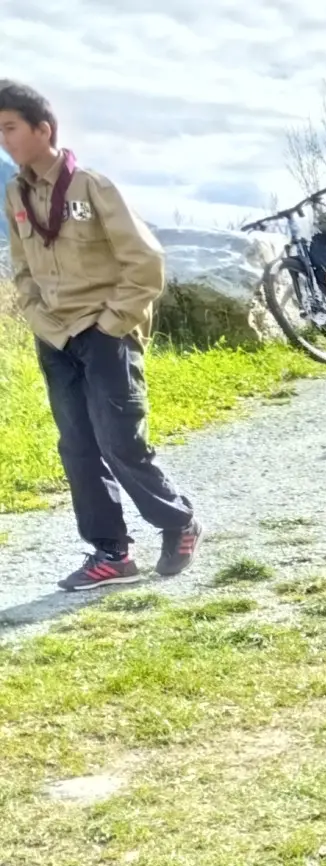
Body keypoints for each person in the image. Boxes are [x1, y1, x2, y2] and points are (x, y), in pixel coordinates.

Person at [0, 81, 198, 592]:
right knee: (78, 447)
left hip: (105, 330)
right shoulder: (15, 193)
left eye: (10, 128)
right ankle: (111, 553)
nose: (4, 140)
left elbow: (146, 263)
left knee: (118, 441)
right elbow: (21, 267)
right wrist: (36, 315)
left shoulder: (91, 187)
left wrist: (112, 322)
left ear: (44, 129)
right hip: (55, 336)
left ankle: (178, 522)